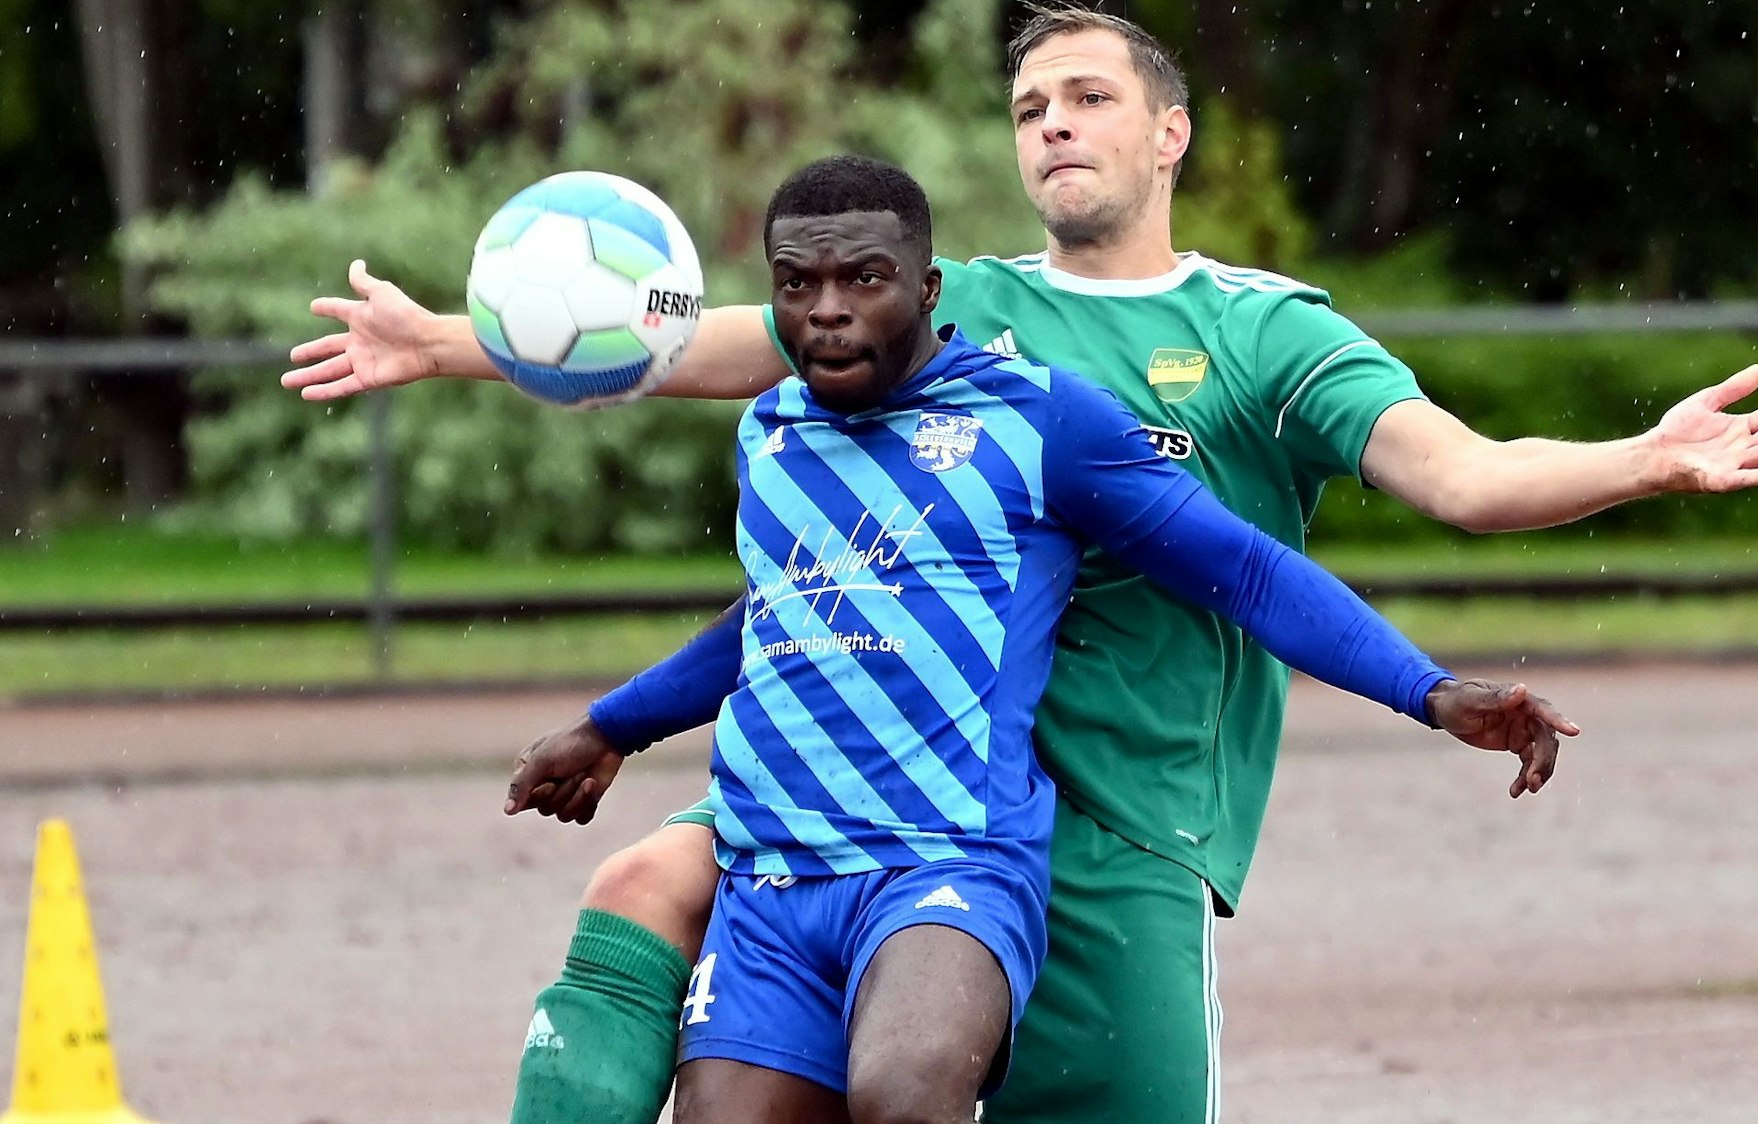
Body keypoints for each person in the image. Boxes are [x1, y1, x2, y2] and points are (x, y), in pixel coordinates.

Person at [283, 8, 1758, 1122]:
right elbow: (686, 343)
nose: (1053, 126)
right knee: (649, 879)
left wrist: (1640, 460)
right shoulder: (941, 306)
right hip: (894, 768)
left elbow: (1461, 480)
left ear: (1169, 133)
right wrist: (455, 342)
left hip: (1128, 806)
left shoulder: (1262, 332)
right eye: (1027, 107)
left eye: (1087, 97)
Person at [613, 153, 1575, 1122]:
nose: (828, 310)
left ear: (929, 289)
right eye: (797, 285)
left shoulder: (1040, 417)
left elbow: (1245, 570)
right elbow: (778, 615)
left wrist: (1428, 689)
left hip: (952, 863)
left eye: (864, 278)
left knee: (904, 1095)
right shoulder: (771, 431)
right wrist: (609, 727)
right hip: (778, 872)